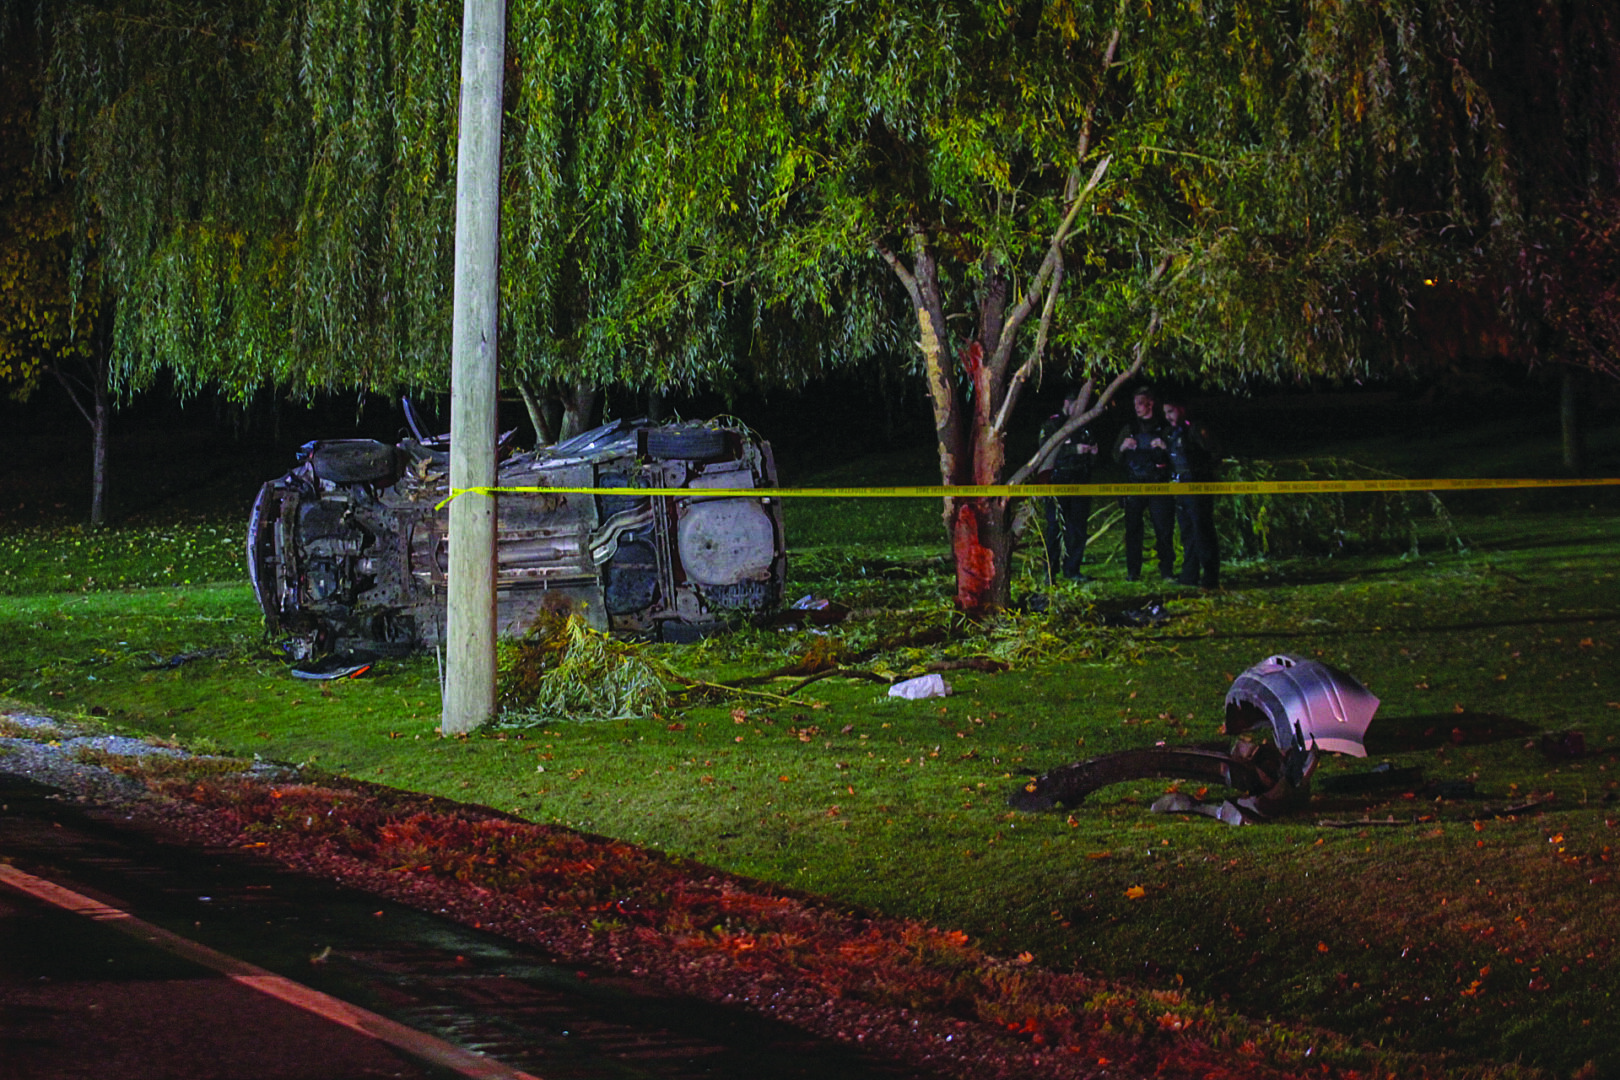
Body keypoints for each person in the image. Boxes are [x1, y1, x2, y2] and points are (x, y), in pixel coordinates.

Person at [1037, 387, 1101, 581]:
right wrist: (1074, 449)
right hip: (1057, 481)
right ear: (1067, 403)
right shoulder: (1052, 425)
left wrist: (1093, 454)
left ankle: (1073, 570)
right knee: (1055, 528)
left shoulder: (1085, 426)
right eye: (1077, 406)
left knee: (1078, 529)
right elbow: (1044, 453)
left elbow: (1095, 458)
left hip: (1081, 482)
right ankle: (1050, 570)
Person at [1112, 385, 1175, 582]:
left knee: (1164, 530)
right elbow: (1115, 457)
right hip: (1135, 484)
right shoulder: (1129, 429)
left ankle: (1166, 571)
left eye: (1140, 403)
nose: (1137, 408)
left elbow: (1178, 457)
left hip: (1158, 485)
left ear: (1150, 403)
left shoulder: (1164, 428)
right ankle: (1133, 572)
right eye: (1135, 404)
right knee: (1133, 531)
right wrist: (1123, 447)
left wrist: (1165, 447)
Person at [1163, 397, 1221, 588]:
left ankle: (1210, 577)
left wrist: (1203, 476)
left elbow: (1214, 453)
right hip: (1179, 486)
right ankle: (1189, 575)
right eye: (1165, 413)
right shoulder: (1170, 433)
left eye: (1171, 411)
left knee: (1202, 531)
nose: (1168, 417)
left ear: (1181, 409)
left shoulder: (1195, 429)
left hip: (1196, 486)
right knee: (1187, 531)